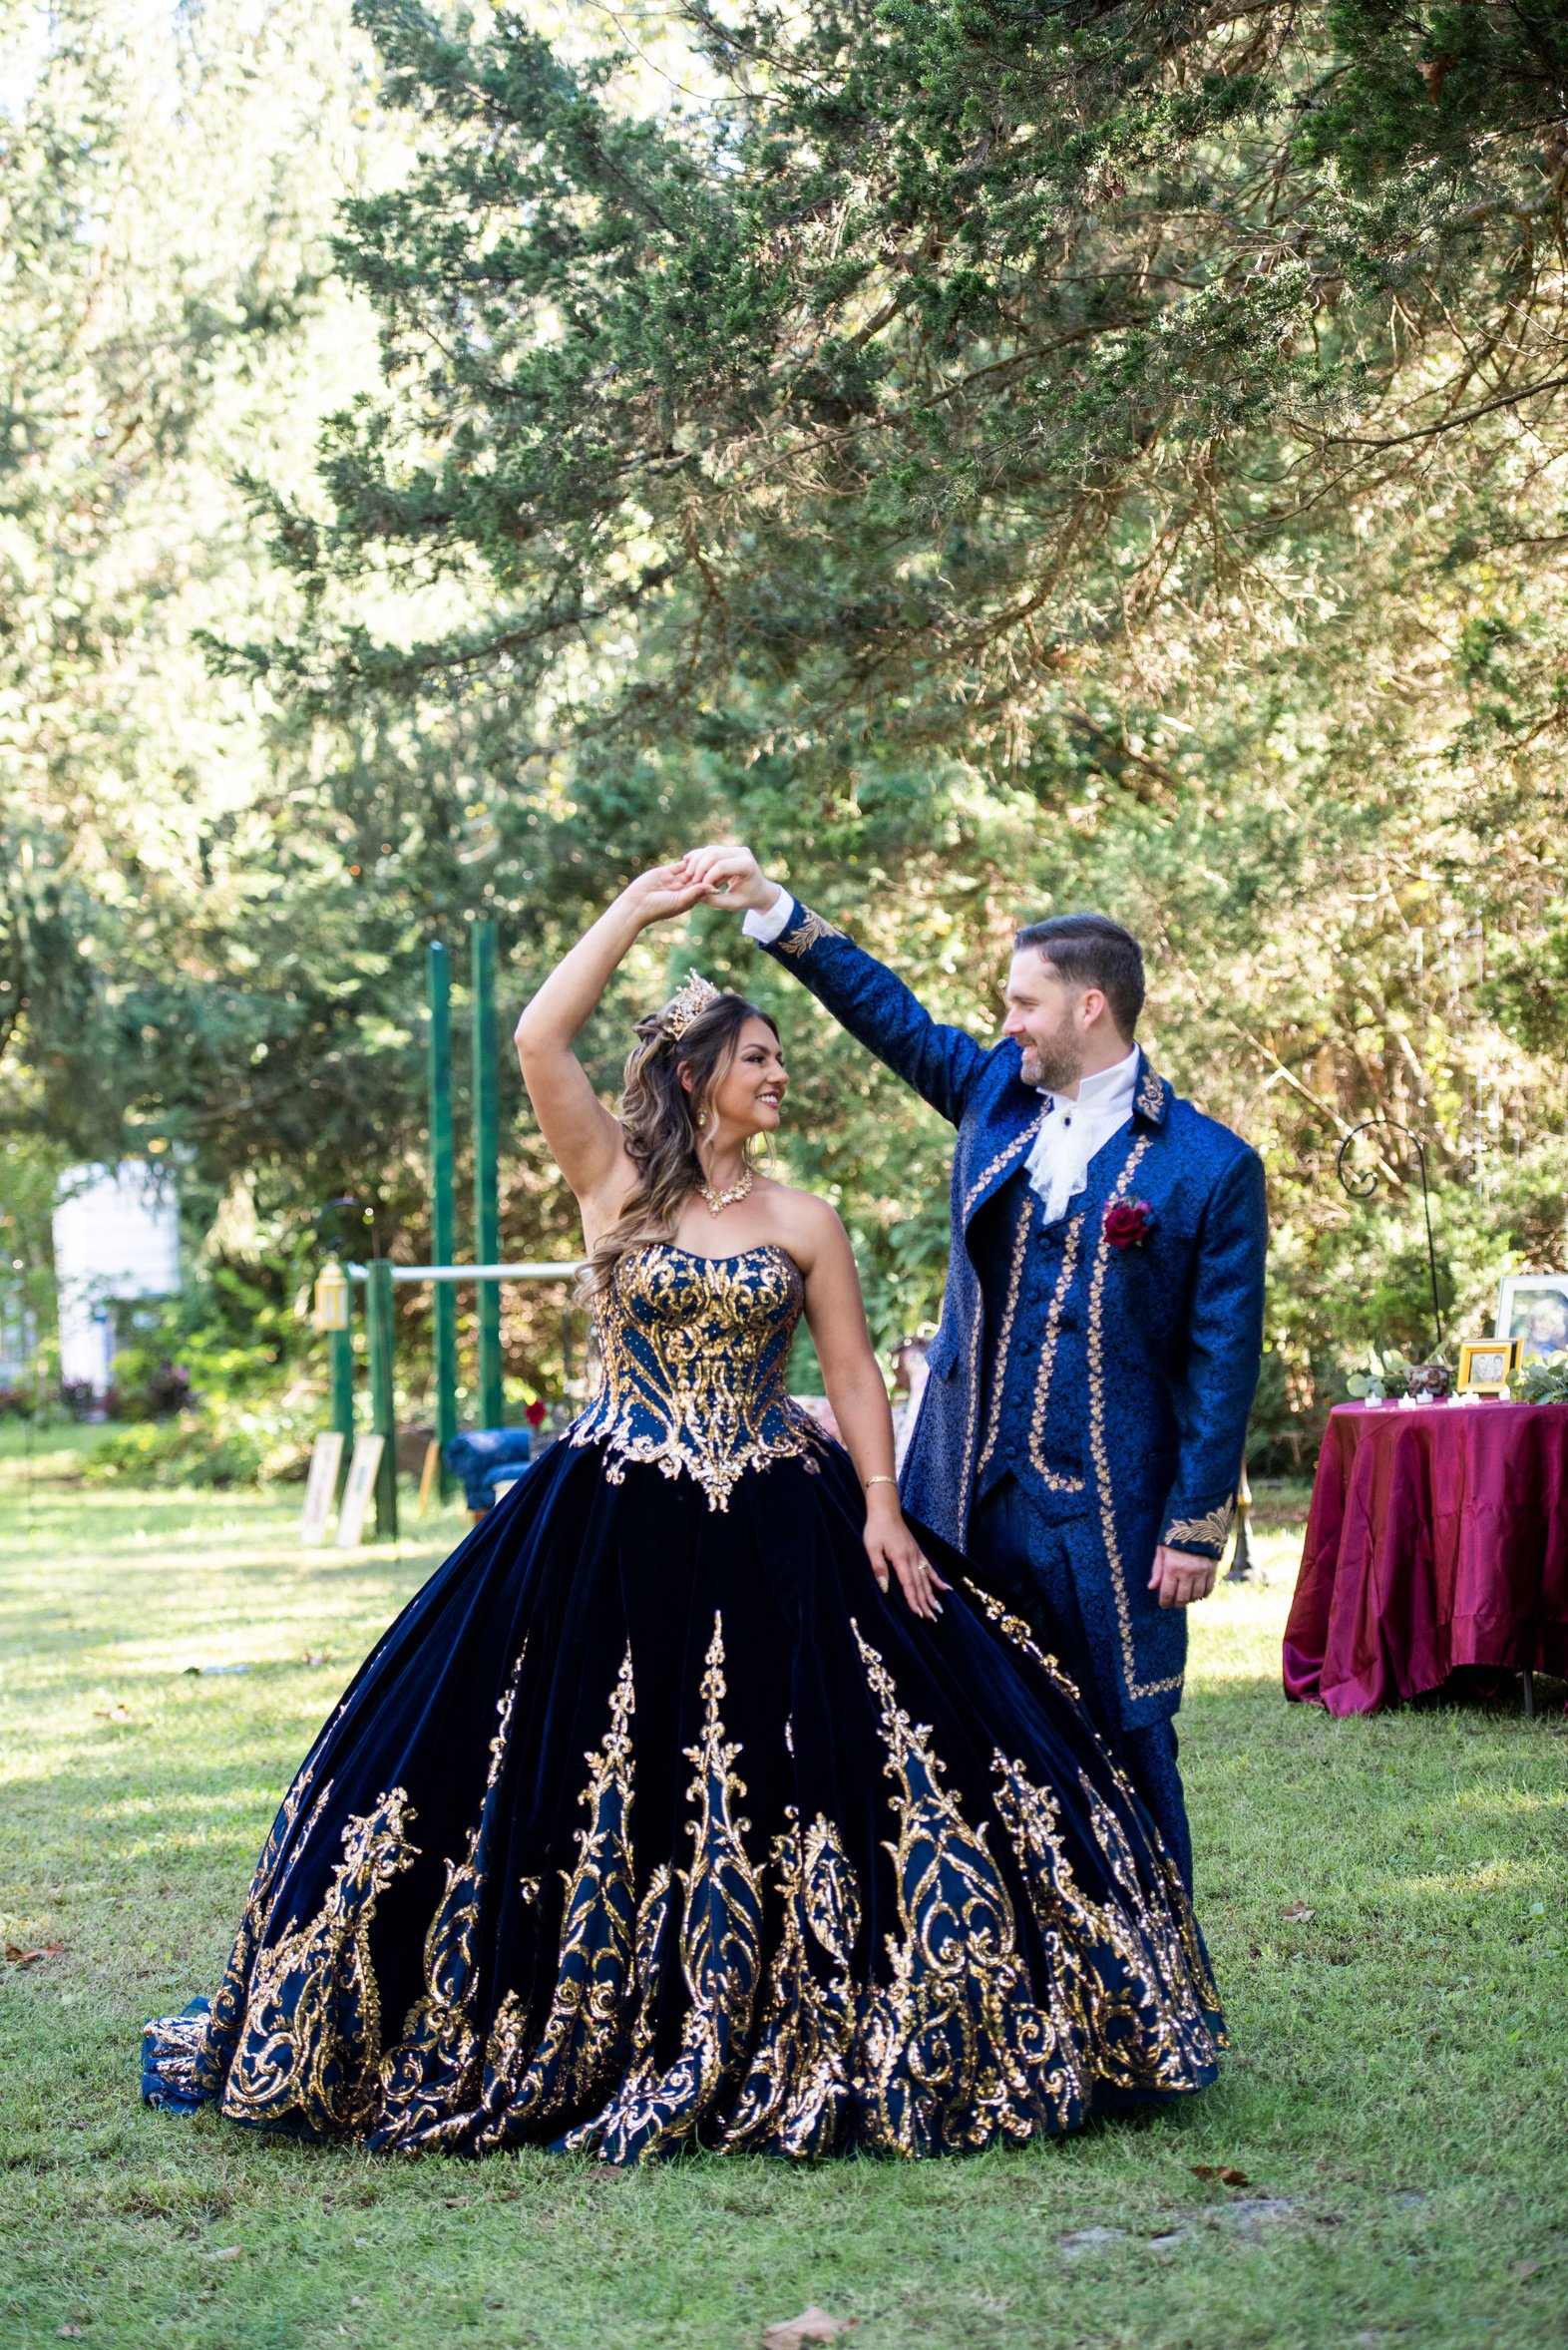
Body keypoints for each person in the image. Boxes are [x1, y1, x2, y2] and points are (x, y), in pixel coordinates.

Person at [142, 864, 1222, 2162]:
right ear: (699, 1073)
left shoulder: (805, 1218)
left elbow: (854, 1375)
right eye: (759, 1057)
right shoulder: (612, 1181)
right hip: (610, 1515)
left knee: (833, 1758)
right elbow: (539, 1037)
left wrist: (884, 1507)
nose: (781, 1075)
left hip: (780, 1514)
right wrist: (636, 914)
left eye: (781, 1059)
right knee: (557, 1762)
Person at [686, 845, 1268, 1890]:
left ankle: (1155, 1972)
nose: (1008, 1023)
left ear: (1089, 1007)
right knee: (960, 1737)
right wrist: (774, 907)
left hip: (1108, 1521)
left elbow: (1222, 1361)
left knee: (1127, 1746)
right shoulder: (995, 1094)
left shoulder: (1211, 1165)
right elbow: (891, 1016)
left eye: (1024, 1003)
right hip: (959, 1497)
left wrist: (1194, 1527)